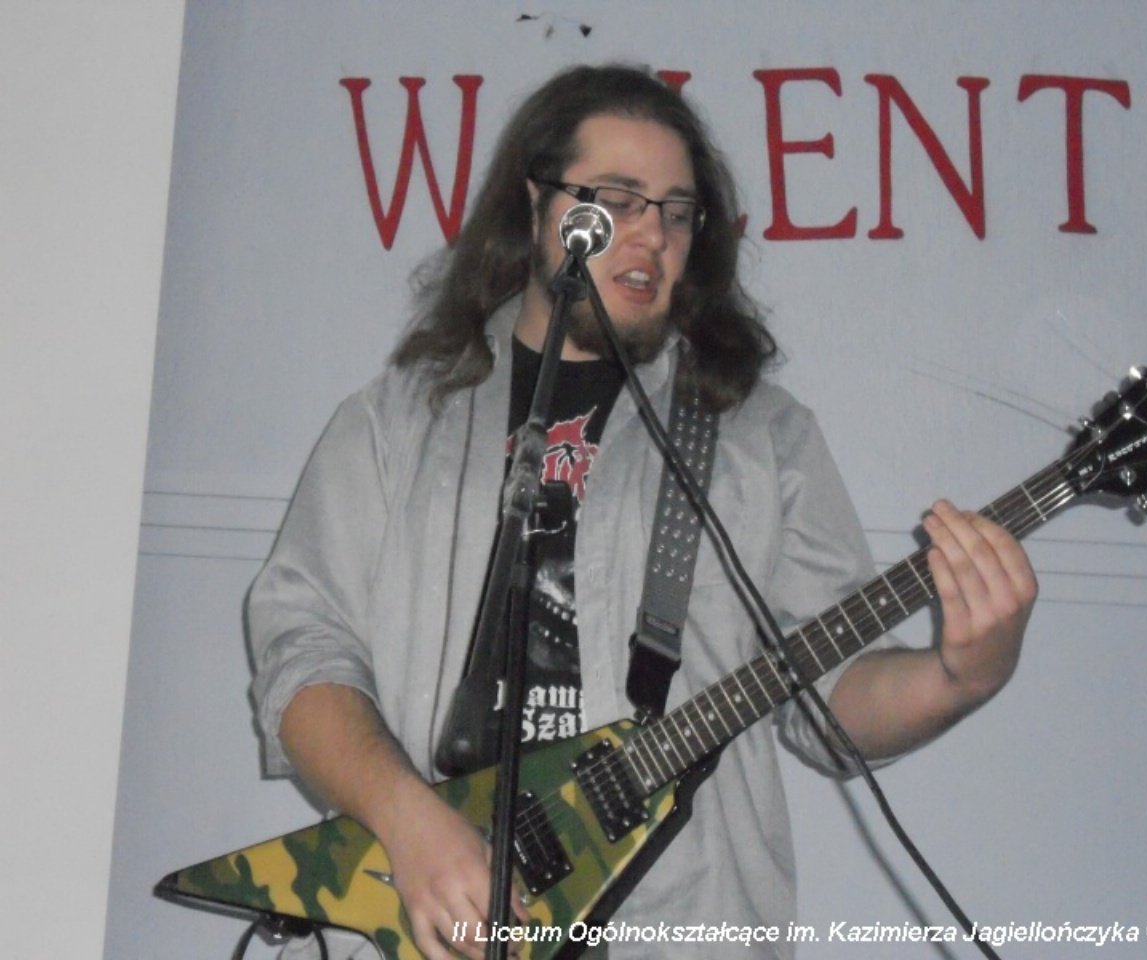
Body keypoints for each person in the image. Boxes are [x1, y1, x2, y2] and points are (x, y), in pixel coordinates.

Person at [248, 64, 1037, 960]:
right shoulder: (402, 418)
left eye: (677, 212)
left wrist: (962, 674)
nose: (652, 235)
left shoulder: (758, 435)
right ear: (539, 206)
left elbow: (833, 702)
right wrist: (407, 819)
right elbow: (301, 651)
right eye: (617, 201)